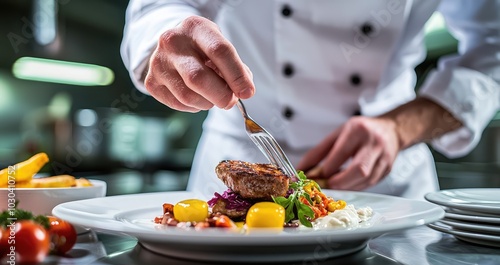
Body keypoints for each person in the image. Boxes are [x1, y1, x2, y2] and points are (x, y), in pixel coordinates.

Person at [121, 0, 500, 199]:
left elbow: (493, 44)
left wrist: (400, 127)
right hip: (238, 151)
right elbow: (160, 7)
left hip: (386, 179)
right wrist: (167, 39)